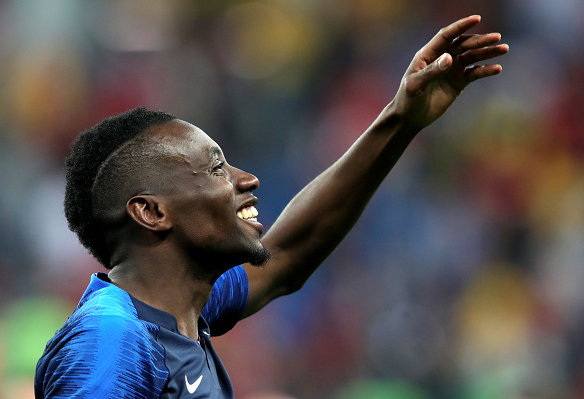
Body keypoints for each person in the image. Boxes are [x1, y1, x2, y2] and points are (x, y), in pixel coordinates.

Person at [34, 15, 508, 399]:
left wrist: (401, 117)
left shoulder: (179, 314)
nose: (248, 179)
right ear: (152, 213)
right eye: (217, 169)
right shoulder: (111, 340)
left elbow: (286, 256)